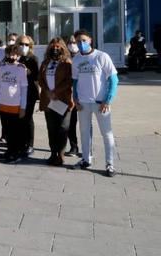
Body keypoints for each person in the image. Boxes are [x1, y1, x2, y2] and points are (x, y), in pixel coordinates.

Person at [72, 29, 118, 177]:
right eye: (78, 41)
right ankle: (86, 159)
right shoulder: (76, 59)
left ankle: (110, 164)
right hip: (83, 103)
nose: (81, 43)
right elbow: (75, 81)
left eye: (83, 40)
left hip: (100, 103)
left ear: (90, 40)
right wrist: (75, 99)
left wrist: (108, 99)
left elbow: (113, 79)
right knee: (84, 132)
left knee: (107, 134)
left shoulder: (101, 56)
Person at [39, 38, 74, 166]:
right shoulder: (45, 63)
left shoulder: (67, 63)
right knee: (51, 128)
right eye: (53, 47)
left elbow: (69, 81)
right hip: (48, 100)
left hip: (63, 100)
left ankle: (61, 154)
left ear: (63, 48)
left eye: (58, 47)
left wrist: (56, 92)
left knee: (63, 128)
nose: (55, 49)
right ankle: (53, 153)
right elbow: (40, 79)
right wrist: (47, 91)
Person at [0, 44, 28, 163]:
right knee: (7, 130)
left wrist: (23, 107)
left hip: (16, 105)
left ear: (18, 56)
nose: (12, 56)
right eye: (10, 54)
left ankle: (16, 152)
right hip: (3, 104)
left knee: (16, 131)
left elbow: (24, 89)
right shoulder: (2, 68)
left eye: (15, 54)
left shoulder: (21, 69)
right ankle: (9, 150)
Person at [18, 35, 40, 156]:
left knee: (28, 118)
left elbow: (37, 77)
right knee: (20, 118)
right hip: (17, 93)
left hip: (30, 92)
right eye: (21, 43)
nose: (23, 46)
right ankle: (21, 142)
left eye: (26, 44)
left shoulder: (33, 59)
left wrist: (29, 72)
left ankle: (30, 144)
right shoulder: (16, 57)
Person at [64, 35, 80, 156]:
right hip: (69, 96)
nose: (72, 44)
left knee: (85, 124)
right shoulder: (65, 58)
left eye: (74, 42)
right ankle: (73, 146)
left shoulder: (82, 57)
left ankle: (87, 150)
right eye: (70, 42)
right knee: (70, 123)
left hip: (84, 95)